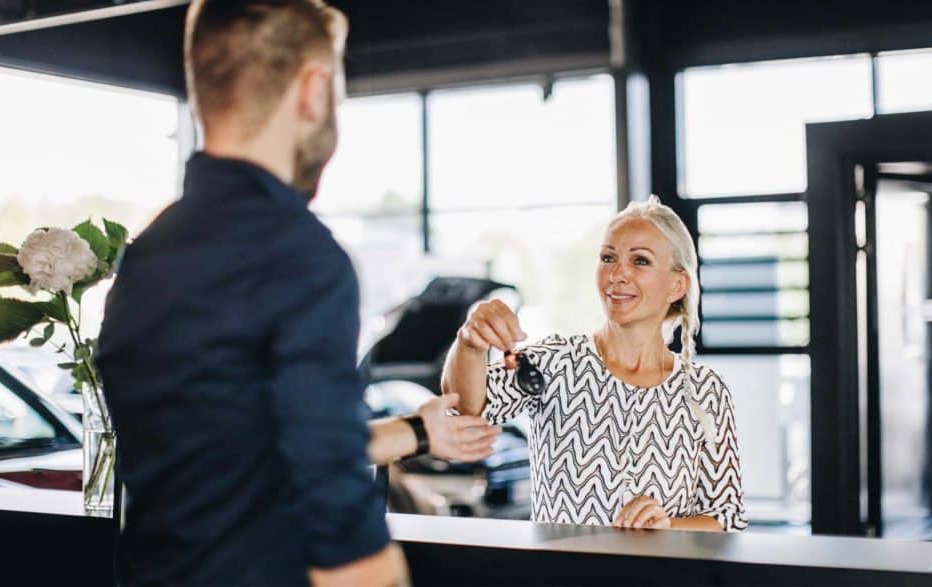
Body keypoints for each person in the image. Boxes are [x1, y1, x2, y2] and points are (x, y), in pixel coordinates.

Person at [96, 1, 497, 585]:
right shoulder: (300, 257)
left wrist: (417, 430)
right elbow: (338, 530)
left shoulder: (150, 254)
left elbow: (252, 446)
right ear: (313, 90)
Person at [441, 196, 747, 532]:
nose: (617, 274)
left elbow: (726, 517)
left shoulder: (705, 390)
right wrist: (469, 343)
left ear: (677, 284)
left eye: (640, 261)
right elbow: (468, 407)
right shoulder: (554, 361)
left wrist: (668, 527)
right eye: (608, 258)